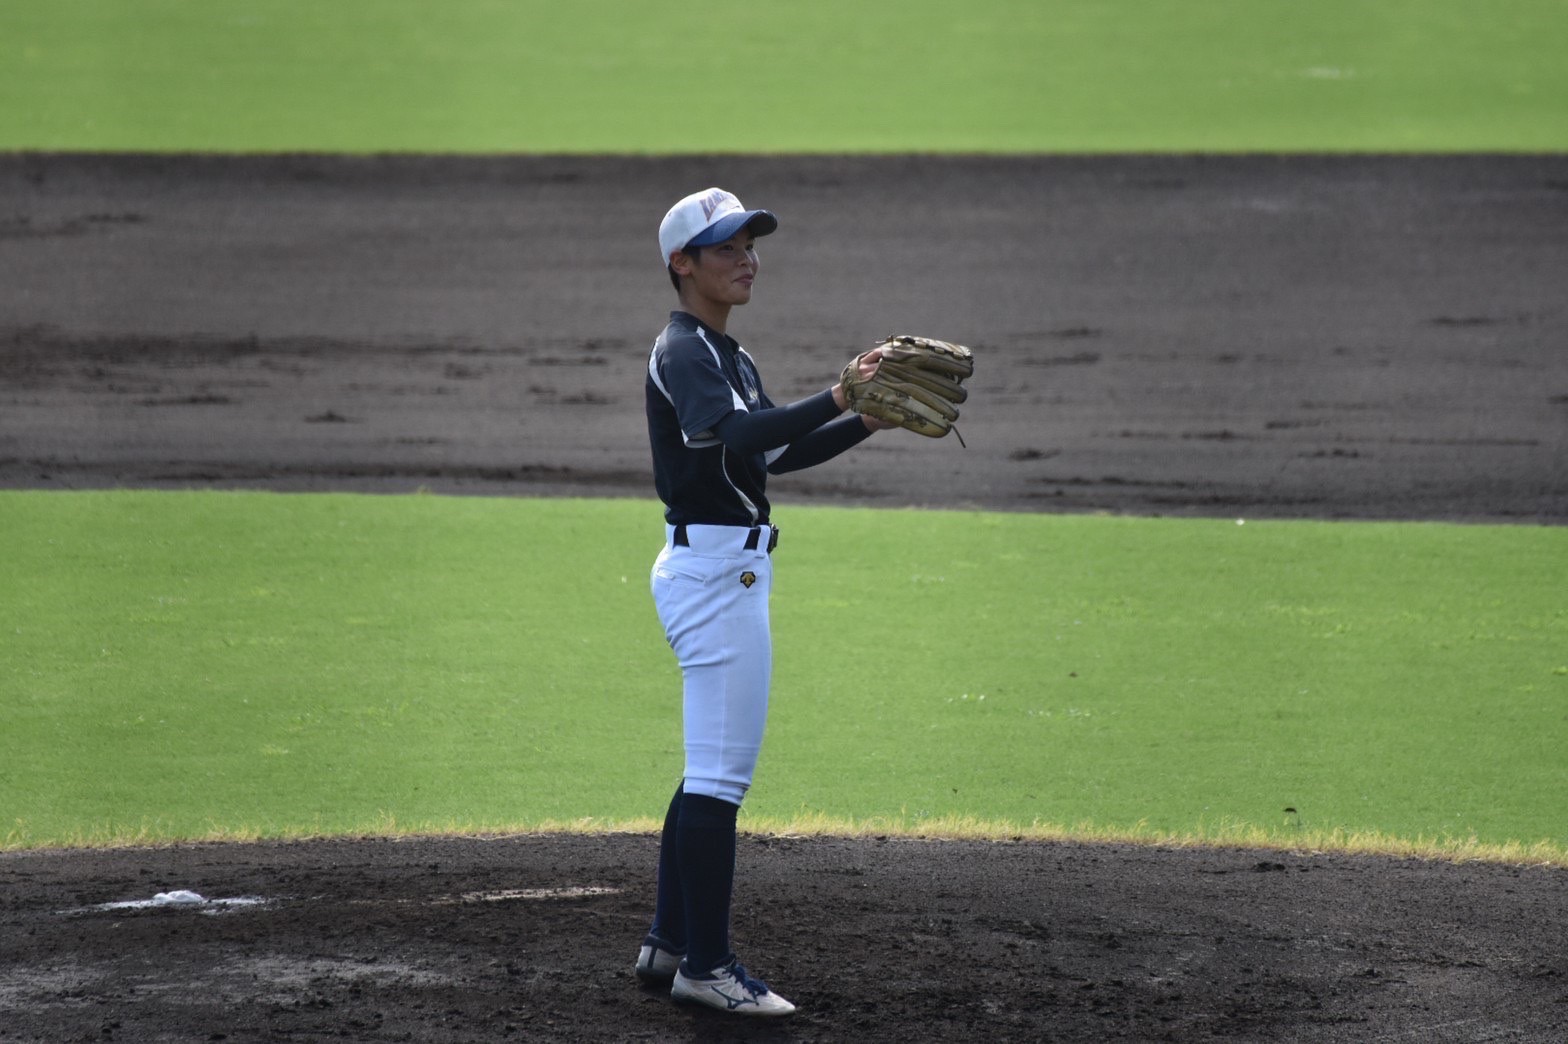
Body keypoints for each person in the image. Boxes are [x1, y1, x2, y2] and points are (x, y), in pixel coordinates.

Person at [635, 187, 892, 1017]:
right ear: (682, 264)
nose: (747, 259)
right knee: (720, 777)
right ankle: (707, 967)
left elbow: (773, 455)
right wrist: (840, 395)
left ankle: (670, 942)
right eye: (727, 248)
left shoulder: (726, 354)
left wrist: (865, 421)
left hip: (719, 571)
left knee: (706, 769)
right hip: (714, 578)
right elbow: (744, 435)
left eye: (750, 245)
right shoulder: (684, 351)